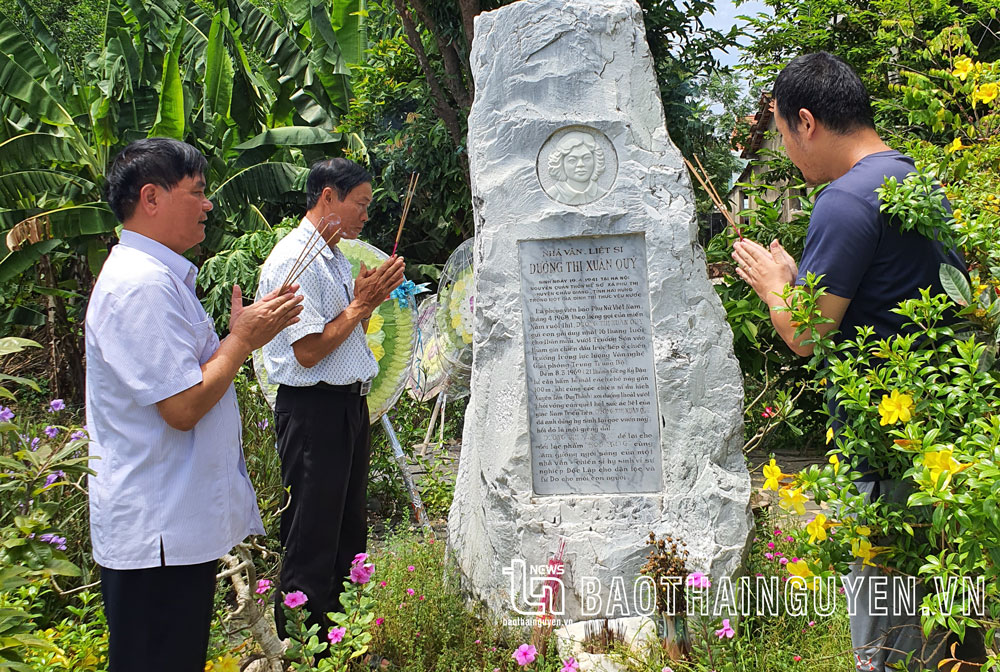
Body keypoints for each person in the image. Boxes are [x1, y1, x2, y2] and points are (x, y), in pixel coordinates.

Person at [731, 53, 981, 672]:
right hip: (945, 452)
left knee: (890, 645)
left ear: (807, 122)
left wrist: (773, 285)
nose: (788, 152)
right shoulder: (915, 181)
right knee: (952, 635)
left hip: (885, 463)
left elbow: (808, 334)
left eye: (785, 136)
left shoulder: (844, 201)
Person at [85, 137, 304, 671]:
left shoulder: (162, 279)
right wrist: (241, 341)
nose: (208, 204)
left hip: (171, 529)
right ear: (152, 198)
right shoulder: (140, 286)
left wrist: (240, 336)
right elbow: (182, 407)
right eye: (198, 192)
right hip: (156, 532)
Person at [257, 158, 405, 642]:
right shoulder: (293, 260)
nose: (366, 215)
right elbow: (308, 350)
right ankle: (304, 647)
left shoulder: (334, 256)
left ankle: (341, 640)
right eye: (359, 204)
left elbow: (341, 337)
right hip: (312, 412)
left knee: (346, 530)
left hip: (346, 408)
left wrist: (365, 305)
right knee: (312, 535)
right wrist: (360, 305)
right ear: (327, 197)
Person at [547, 130, 607, 204]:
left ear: (596, 160)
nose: (580, 164)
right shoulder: (553, 195)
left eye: (586, 158)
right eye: (572, 160)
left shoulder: (602, 194)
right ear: (560, 164)